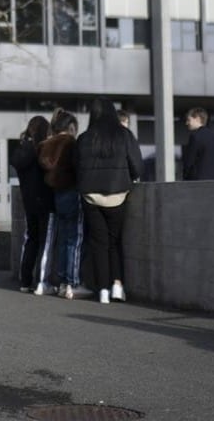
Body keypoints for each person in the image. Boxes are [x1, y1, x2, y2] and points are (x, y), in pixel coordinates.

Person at [74, 98, 142, 304]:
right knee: (115, 242)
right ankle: (117, 286)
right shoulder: (124, 135)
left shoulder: (84, 138)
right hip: (118, 194)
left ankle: (102, 289)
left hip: (91, 196)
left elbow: (76, 168)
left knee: (99, 243)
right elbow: (137, 167)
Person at [38, 108, 90, 299]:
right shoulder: (71, 144)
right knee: (75, 240)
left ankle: (60, 282)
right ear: (71, 127)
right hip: (73, 191)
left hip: (57, 195)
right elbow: (78, 168)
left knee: (62, 240)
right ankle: (72, 282)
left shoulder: (45, 146)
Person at [11, 115, 55, 295]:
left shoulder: (22, 149)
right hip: (44, 199)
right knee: (45, 241)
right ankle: (41, 281)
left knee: (31, 239)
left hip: (28, 200)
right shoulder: (42, 149)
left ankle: (25, 280)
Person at [181, 107, 214, 180]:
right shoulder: (213, 137)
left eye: (189, 120)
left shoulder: (195, 137)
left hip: (198, 182)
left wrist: (185, 178)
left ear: (197, 119)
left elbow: (189, 162)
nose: (186, 123)